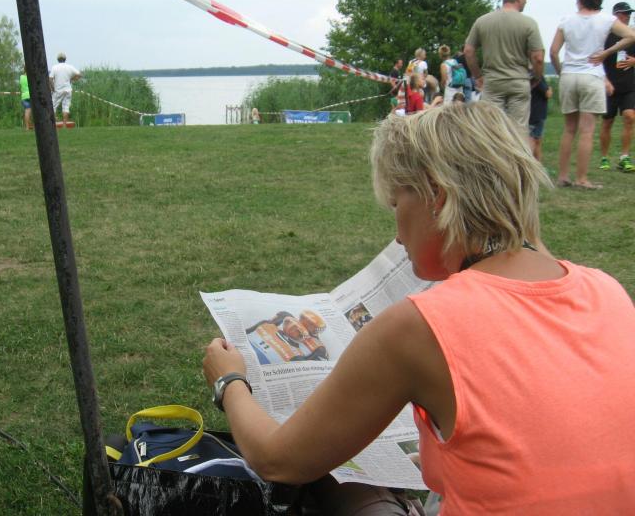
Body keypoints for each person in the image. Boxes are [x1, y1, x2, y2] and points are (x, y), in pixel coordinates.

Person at [204, 101, 635, 515]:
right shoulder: (606, 289)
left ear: (437, 197)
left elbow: (279, 461)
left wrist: (230, 381)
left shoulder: (420, 325)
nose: (397, 234)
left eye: (397, 204)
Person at [550, 0, 635, 189]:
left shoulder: (566, 20)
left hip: (569, 75)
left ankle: (562, 176)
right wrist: (606, 53)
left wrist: (562, 72)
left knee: (569, 129)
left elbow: (553, 52)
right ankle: (581, 179)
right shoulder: (606, 19)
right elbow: (631, 36)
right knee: (587, 131)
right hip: (591, 75)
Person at [463, 0, 545, 139]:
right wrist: (537, 77)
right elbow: (538, 58)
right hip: (519, 82)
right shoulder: (529, 23)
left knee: (491, 131)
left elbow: (468, 51)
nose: (526, 1)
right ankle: (518, 155)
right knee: (519, 132)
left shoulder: (482, 21)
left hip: (492, 82)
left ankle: (492, 155)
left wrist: (478, 76)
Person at [599, 1, 635, 173]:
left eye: (629, 13)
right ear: (615, 15)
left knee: (629, 117)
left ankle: (624, 157)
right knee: (607, 122)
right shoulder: (605, 36)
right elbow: (597, 60)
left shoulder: (632, 35)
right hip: (610, 86)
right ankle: (604, 158)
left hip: (629, 86)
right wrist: (604, 80)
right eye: (624, 13)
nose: (628, 16)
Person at [49, 52, 81, 126]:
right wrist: (72, 79)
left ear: (58, 59)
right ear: (65, 59)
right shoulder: (70, 67)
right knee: (66, 107)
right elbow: (79, 75)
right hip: (68, 90)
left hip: (57, 90)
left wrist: (53, 88)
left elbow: (50, 79)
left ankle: (52, 124)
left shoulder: (54, 67)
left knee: (53, 106)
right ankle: (64, 125)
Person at [528, 75, 552, 162]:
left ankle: (537, 165)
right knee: (535, 141)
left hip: (528, 112)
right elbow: (548, 94)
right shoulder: (537, 76)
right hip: (537, 114)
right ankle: (532, 164)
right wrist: (550, 88)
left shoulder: (525, 75)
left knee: (534, 140)